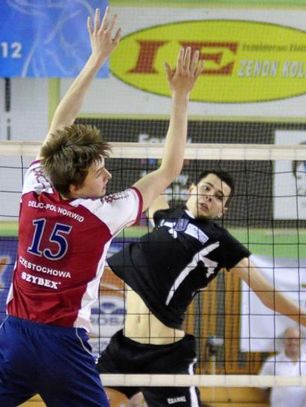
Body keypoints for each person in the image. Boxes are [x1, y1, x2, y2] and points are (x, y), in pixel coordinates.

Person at [0, 7, 203, 406]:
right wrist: (180, 96)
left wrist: (96, 58)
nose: (108, 175)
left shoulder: (35, 191)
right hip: (62, 349)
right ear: (76, 184)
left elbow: (60, 123)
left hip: (15, 338)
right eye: (99, 172)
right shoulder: (102, 216)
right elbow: (170, 169)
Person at [97, 170, 306, 407]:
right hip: (124, 348)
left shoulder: (220, 240)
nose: (210, 196)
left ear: (223, 210)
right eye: (206, 188)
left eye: (219, 197)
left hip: (166, 357)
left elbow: (268, 295)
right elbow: (161, 177)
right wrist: (171, 158)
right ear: (191, 189)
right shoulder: (165, 218)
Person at [259, 326, 306, 407]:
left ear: (302, 341)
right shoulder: (272, 361)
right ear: (284, 341)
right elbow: (262, 387)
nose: (293, 342)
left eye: (296, 339)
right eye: (289, 339)